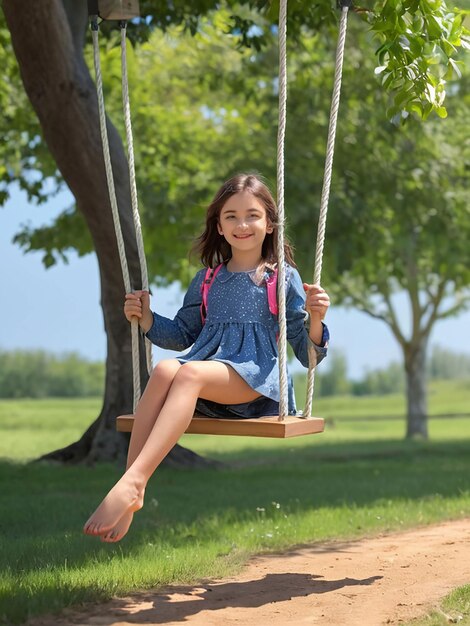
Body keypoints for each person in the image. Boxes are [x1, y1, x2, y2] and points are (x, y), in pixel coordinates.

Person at [84, 173, 330, 542]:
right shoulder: (207, 279)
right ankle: (134, 483)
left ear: (269, 223)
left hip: (255, 383)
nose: (241, 224)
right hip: (209, 377)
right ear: (218, 224)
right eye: (231, 216)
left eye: (252, 215)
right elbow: (183, 334)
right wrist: (147, 317)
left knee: (186, 375)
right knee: (167, 369)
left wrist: (317, 320)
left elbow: (306, 353)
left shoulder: (281, 278)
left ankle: (133, 481)